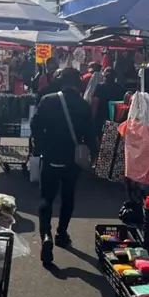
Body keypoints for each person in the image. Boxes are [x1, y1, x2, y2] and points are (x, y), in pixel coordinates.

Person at [30, 67, 95, 266]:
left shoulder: (48, 100)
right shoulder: (83, 105)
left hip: (50, 155)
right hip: (71, 158)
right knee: (68, 196)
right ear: (78, 83)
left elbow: (35, 124)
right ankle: (61, 233)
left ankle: (46, 235)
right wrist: (92, 154)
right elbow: (90, 135)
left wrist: (41, 145)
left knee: (46, 197)